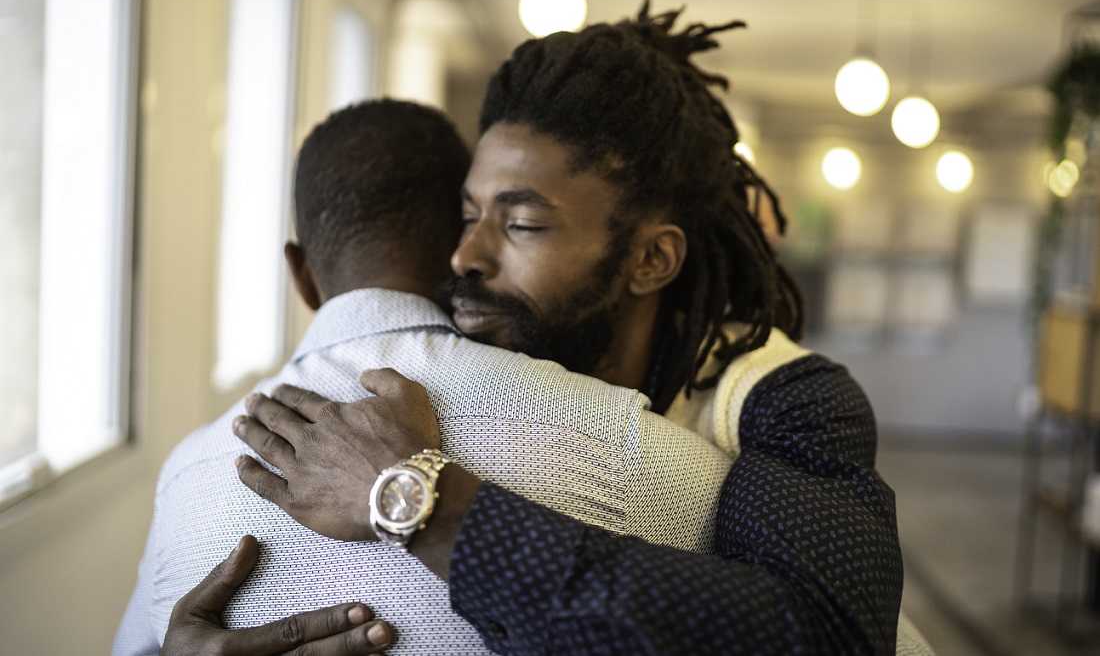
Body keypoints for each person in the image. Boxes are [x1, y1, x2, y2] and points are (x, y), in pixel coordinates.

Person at [167, 3, 905, 654]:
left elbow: (822, 635)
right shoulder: (454, 373)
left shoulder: (788, 401)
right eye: (468, 214)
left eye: (520, 222)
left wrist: (415, 497)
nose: (464, 256)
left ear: (650, 258)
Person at [114, 97, 736, 656]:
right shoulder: (642, 455)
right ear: (458, 245)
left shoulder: (189, 471)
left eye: (520, 221)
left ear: (301, 274)